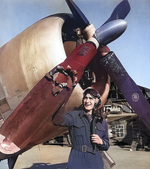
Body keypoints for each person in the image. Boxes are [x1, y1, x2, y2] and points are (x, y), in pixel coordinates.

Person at [52, 87, 109, 169]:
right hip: (77, 159)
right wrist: (60, 100)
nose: (87, 101)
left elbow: (106, 145)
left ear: (96, 101)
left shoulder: (101, 122)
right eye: (85, 98)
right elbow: (57, 121)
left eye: (90, 98)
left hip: (96, 161)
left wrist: (101, 142)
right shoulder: (73, 116)